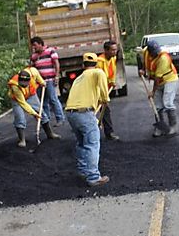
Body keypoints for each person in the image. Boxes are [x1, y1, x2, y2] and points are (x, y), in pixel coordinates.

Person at [64, 52, 110, 187]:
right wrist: (105, 98)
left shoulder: (78, 78)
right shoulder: (98, 72)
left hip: (71, 113)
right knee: (92, 144)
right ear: (96, 64)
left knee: (81, 142)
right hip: (84, 113)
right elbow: (104, 95)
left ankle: (83, 170)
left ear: (83, 65)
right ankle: (93, 177)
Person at [8, 67, 61, 148]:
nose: (23, 86)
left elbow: (40, 80)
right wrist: (34, 113)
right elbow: (23, 104)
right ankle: (22, 140)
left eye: (25, 85)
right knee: (20, 117)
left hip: (31, 95)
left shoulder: (33, 72)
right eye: (21, 84)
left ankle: (50, 134)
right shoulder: (15, 86)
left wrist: (42, 82)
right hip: (17, 99)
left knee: (41, 112)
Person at [138, 40, 179, 137]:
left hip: (169, 79)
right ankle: (160, 127)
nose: (157, 53)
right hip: (159, 81)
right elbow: (144, 61)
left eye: (157, 50)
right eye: (154, 51)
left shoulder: (163, 58)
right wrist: (143, 70)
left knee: (168, 103)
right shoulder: (146, 52)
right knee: (157, 106)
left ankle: (173, 126)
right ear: (149, 51)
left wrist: (152, 92)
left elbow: (157, 79)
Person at [30, 36, 66, 127]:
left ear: (40, 44)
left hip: (50, 80)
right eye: (32, 46)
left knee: (53, 99)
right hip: (40, 82)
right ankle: (46, 120)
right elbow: (32, 68)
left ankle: (60, 118)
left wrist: (57, 77)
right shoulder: (34, 56)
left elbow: (56, 64)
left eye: (35, 45)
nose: (34, 47)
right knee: (43, 101)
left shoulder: (50, 51)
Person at [97, 40, 120, 141]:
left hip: (105, 88)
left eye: (116, 50)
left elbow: (112, 72)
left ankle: (109, 132)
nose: (115, 52)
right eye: (112, 50)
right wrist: (102, 94)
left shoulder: (113, 58)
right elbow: (98, 79)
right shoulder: (99, 62)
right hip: (97, 89)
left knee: (105, 110)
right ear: (106, 50)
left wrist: (112, 82)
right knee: (100, 109)